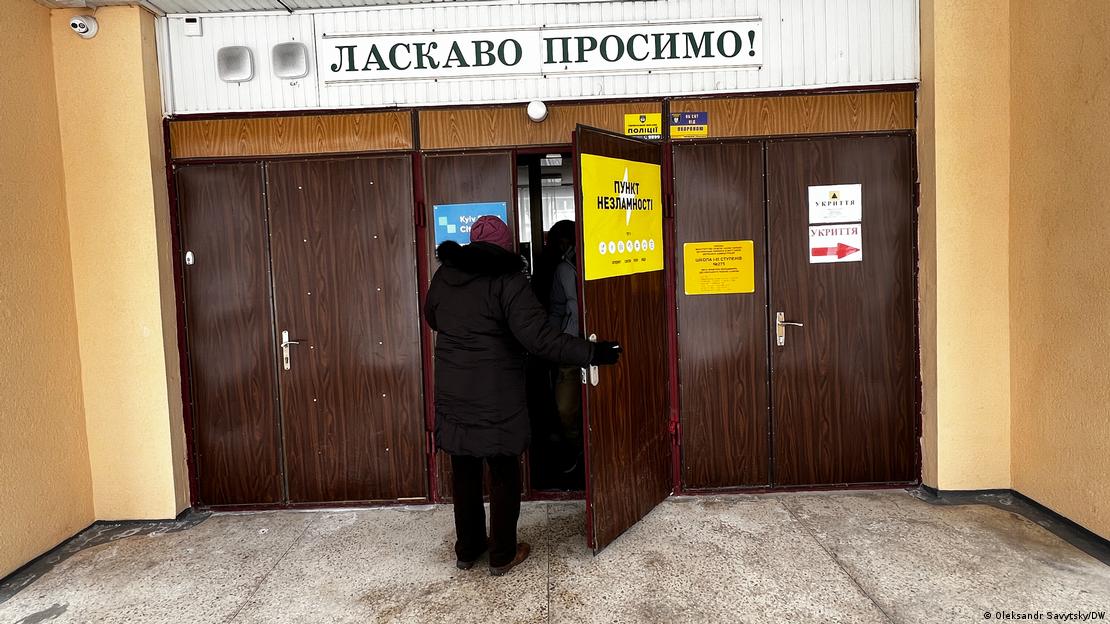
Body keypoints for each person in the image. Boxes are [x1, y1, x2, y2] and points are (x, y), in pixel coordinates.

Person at [424, 215, 621, 577]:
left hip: (453, 391)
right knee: (502, 472)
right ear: (505, 244)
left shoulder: (444, 276)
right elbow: (540, 339)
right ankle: (502, 554)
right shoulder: (509, 280)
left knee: (464, 471)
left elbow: (432, 318)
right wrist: (594, 353)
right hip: (496, 392)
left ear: (471, 242)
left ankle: (467, 550)